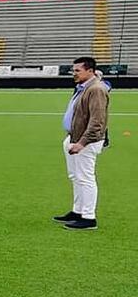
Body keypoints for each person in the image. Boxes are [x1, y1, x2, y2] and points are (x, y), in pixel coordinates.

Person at [54, 56, 110, 231]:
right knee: (75, 176)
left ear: (90, 71)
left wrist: (82, 142)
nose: (74, 73)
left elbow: (97, 121)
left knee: (85, 178)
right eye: (74, 70)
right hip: (74, 137)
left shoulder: (96, 89)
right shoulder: (84, 88)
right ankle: (78, 211)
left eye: (78, 70)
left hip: (85, 141)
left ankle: (88, 217)